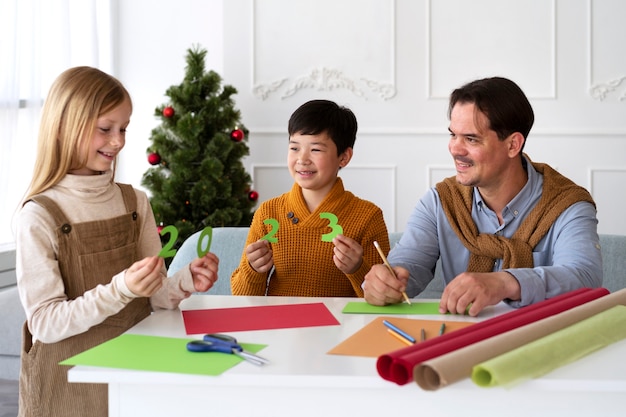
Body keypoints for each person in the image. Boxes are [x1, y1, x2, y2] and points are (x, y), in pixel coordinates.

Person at [15, 66, 219, 417]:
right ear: (65, 128)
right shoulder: (39, 215)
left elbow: (155, 298)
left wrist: (184, 281)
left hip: (135, 372)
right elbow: (45, 324)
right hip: (68, 384)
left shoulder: (133, 202)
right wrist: (121, 288)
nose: (119, 141)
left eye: (123, 128)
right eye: (105, 129)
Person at [363, 76, 602, 316]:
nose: (455, 149)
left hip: (546, 341)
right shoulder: (440, 201)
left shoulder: (568, 205)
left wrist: (505, 282)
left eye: (471, 139)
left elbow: (584, 277)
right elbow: (406, 265)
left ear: (512, 145)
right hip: (461, 344)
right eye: (453, 135)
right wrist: (384, 283)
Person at [231, 99, 389, 297]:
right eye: (294, 148)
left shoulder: (368, 217)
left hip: (341, 327)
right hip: (279, 325)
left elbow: (383, 299)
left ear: (344, 157)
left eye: (315, 150)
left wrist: (357, 269)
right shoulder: (269, 212)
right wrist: (253, 269)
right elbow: (241, 298)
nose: (302, 159)